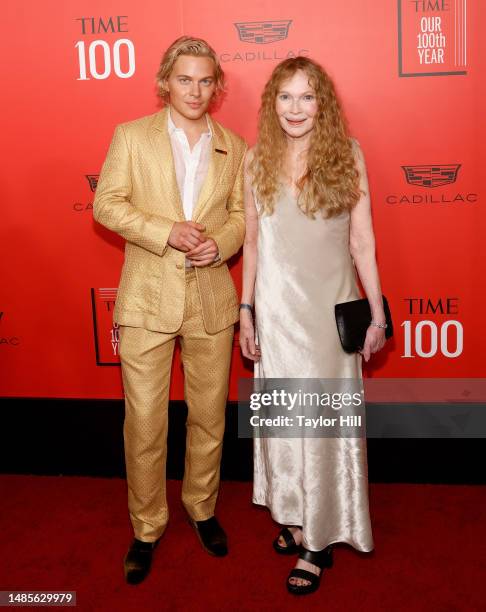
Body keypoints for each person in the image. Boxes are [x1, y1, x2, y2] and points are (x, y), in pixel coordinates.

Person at [93, 36, 247, 584]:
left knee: (209, 417)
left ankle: (202, 509)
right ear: (165, 82)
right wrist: (166, 232)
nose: (196, 90)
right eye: (185, 79)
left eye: (206, 81)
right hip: (145, 301)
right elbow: (105, 203)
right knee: (146, 421)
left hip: (211, 300)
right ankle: (146, 525)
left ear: (217, 87)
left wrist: (221, 244)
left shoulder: (235, 146)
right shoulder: (131, 137)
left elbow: (239, 216)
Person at [239, 56, 387, 595]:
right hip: (276, 316)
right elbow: (253, 243)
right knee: (286, 423)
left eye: (307, 97)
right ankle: (296, 511)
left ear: (321, 103)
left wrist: (379, 309)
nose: (295, 108)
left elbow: (362, 241)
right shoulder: (255, 159)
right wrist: (246, 310)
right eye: (285, 97)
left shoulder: (347, 156)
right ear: (271, 103)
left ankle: (318, 542)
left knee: (321, 425)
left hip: (328, 315)